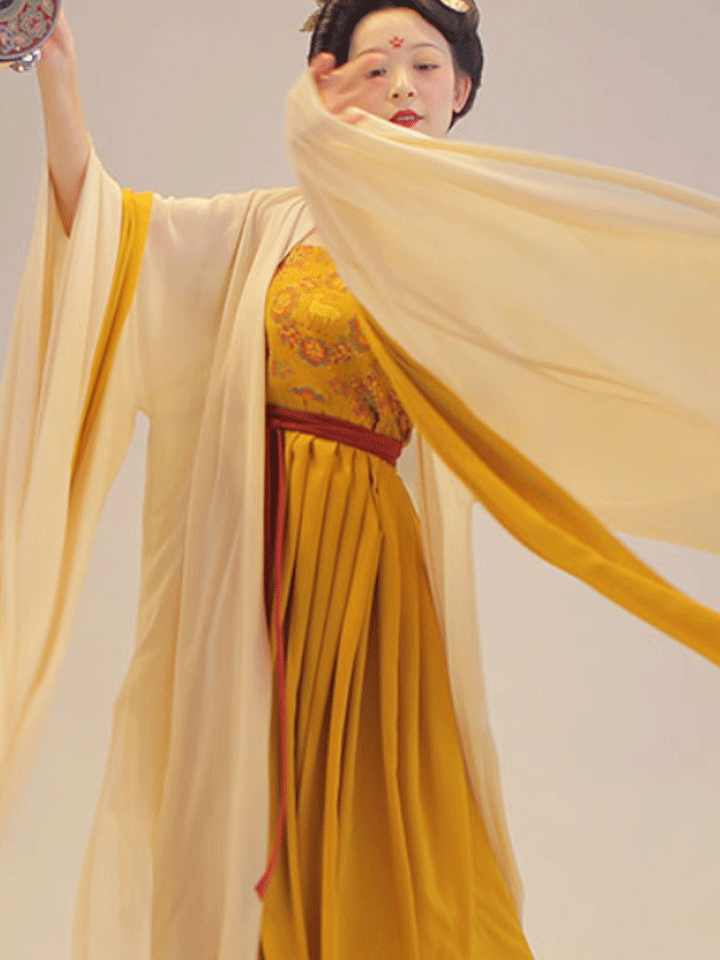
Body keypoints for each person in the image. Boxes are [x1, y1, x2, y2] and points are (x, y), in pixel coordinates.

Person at [2, 2, 719, 959]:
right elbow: (107, 238)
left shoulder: (477, 241)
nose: (402, 87)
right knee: (246, 812)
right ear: (330, 86)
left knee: (382, 826)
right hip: (253, 552)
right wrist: (56, 70)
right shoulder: (265, 228)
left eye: (425, 66)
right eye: (376, 68)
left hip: (366, 566)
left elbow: (581, 362)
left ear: (462, 89)